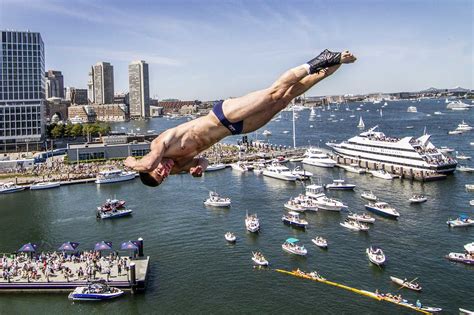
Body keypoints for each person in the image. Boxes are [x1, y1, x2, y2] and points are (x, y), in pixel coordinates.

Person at [125, 49, 357, 187]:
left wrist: (132, 163)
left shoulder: (158, 146)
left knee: (273, 92)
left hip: (221, 115)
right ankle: (332, 66)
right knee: (284, 100)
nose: (163, 171)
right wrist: (199, 169)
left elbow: (146, 163)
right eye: (163, 177)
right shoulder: (176, 168)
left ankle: (319, 59)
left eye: (158, 171)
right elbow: (203, 162)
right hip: (235, 130)